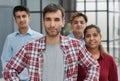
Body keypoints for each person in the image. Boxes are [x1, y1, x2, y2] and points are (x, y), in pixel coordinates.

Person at [3, 3, 100, 81]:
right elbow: (9, 69)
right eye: (48, 19)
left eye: (56, 20)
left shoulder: (75, 46)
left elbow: (93, 66)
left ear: (63, 22)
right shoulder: (30, 47)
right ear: (43, 22)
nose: (52, 24)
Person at [1, 5, 43, 81]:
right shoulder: (10, 38)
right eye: (18, 17)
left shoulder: (39, 38)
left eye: (24, 16)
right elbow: (5, 59)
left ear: (29, 18)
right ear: (15, 20)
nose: (21, 19)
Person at [67, 12, 88, 81]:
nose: (79, 24)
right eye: (75, 22)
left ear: (85, 24)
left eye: (82, 22)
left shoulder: (89, 41)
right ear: (71, 25)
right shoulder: (65, 41)